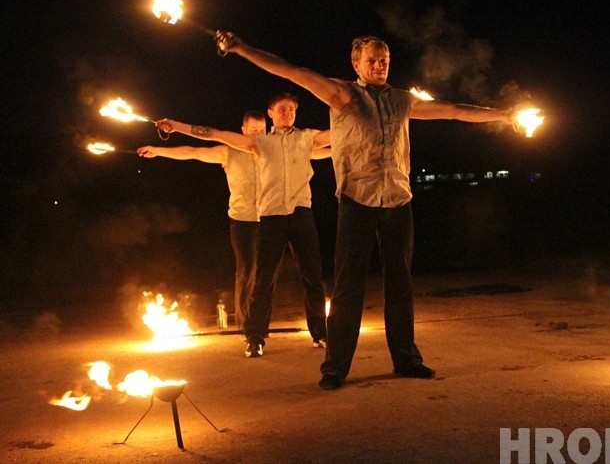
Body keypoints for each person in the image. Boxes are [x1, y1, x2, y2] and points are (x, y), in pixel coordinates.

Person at [214, 32, 519, 389]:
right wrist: (243, 48)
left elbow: (452, 110)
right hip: (357, 200)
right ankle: (335, 368)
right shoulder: (344, 94)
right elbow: (292, 72)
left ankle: (406, 359)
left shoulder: (402, 101)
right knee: (348, 286)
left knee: (401, 283)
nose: (378, 66)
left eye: (384, 60)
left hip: (397, 200)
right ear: (356, 64)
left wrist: (503, 114)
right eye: (371, 60)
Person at [156, 93, 332, 358]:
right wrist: (177, 126)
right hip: (271, 216)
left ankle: (321, 333)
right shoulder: (259, 143)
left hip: (301, 213)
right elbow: (213, 135)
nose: (287, 112)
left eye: (292, 109)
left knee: (312, 277)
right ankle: (254, 337)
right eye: (281, 109)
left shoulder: (307, 138)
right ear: (270, 113)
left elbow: (341, 133)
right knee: (262, 280)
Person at [137, 111, 265, 332]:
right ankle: (248, 327)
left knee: (265, 272)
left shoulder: (272, 151)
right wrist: (159, 150)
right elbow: (194, 152)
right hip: (242, 220)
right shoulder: (229, 152)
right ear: (243, 131)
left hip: (269, 218)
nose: (257, 136)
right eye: (253, 131)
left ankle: (261, 322)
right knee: (246, 270)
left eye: (262, 132)